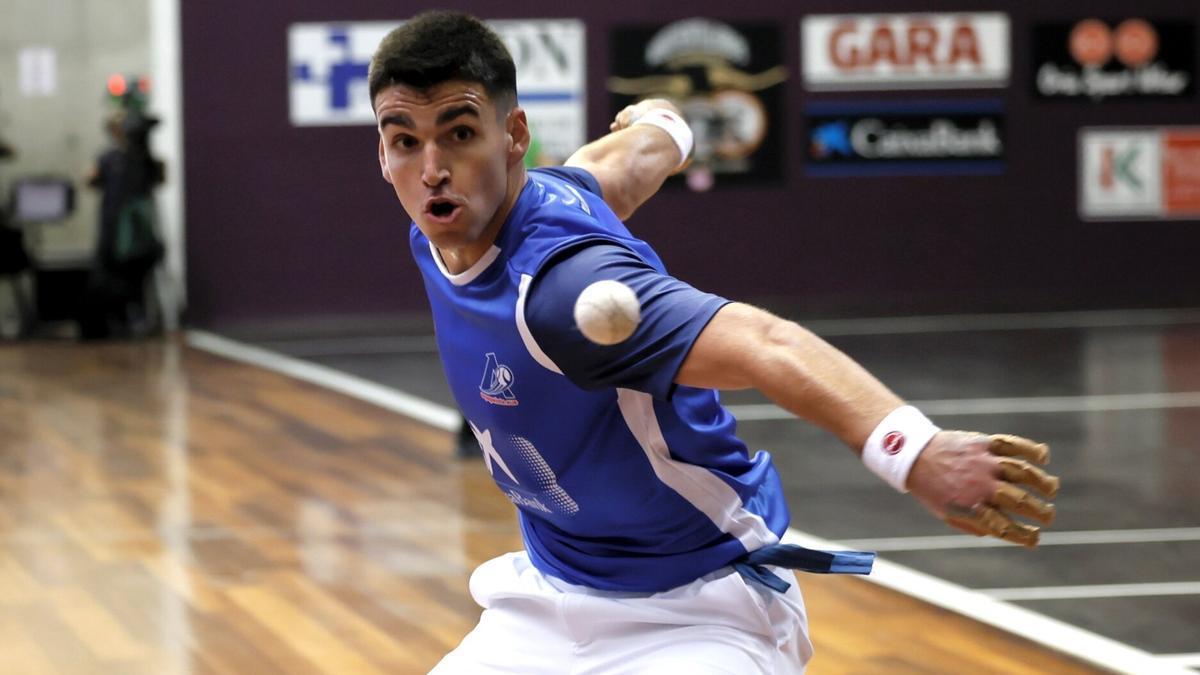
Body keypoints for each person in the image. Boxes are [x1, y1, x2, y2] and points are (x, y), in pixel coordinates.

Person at [369, 12, 1060, 674]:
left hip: (701, 608)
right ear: (383, 151)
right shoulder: (461, 224)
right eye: (405, 141)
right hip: (550, 598)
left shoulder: (559, 292)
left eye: (459, 134)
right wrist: (663, 122)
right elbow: (623, 161)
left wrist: (913, 450)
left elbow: (766, 342)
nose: (431, 168)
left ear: (513, 134)